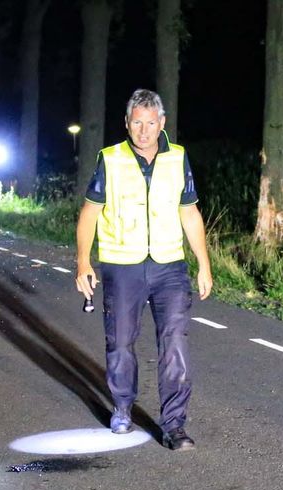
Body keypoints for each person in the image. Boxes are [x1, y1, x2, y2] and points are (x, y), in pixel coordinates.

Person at [74, 89, 212, 451]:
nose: (144, 130)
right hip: (122, 265)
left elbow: (189, 213)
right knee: (120, 342)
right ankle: (122, 407)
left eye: (151, 123)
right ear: (127, 123)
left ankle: (174, 425)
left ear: (162, 123)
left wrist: (203, 264)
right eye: (137, 122)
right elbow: (90, 213)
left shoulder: (178, 158)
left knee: (175, 344)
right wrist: (83, 262)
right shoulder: (110, 159)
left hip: (169, 266)